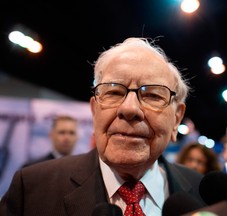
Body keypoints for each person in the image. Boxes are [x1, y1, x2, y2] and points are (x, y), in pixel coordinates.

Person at [0, 37, 206, 215]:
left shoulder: (204, 194)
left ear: (177, 119)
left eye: (152, 95)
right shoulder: (31, 189)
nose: (129, 108)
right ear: (94, 110)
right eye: (114, 92)